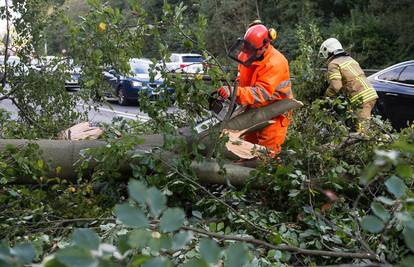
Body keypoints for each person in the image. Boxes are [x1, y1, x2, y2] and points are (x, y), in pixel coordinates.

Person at [217, 20, 293, 155]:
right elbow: (242, 80)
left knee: (267, 157)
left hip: (274, 113)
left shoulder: (275, 63)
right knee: (247, 152)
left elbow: (261, 93)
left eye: (252, 50)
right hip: (253, 111)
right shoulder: (247, 54)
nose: (248, 52)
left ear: (265, 45)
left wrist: (235, 92)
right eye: (247, 48)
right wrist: (232, 94)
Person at [319, 38, 378, 132]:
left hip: (360, 98)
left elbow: (337, 86)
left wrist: (326, 96)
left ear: (327, 51)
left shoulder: (333, 64)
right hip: (370, 93)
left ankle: (367, 143)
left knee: (362, 131)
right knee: (363, 125)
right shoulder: (351, 60)